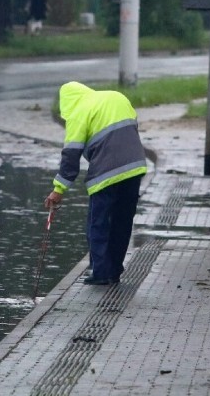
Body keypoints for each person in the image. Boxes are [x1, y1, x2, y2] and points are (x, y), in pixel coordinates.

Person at [44, 82, 148, 285]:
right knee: (122, 222)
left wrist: (58, 190)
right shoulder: (117, 97)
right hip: (135, 168)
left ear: (67, 103)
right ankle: (114, 270)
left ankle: (101, 273)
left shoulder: (78, 112)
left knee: (97, 223)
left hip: (105, 174)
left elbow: (71, 156)